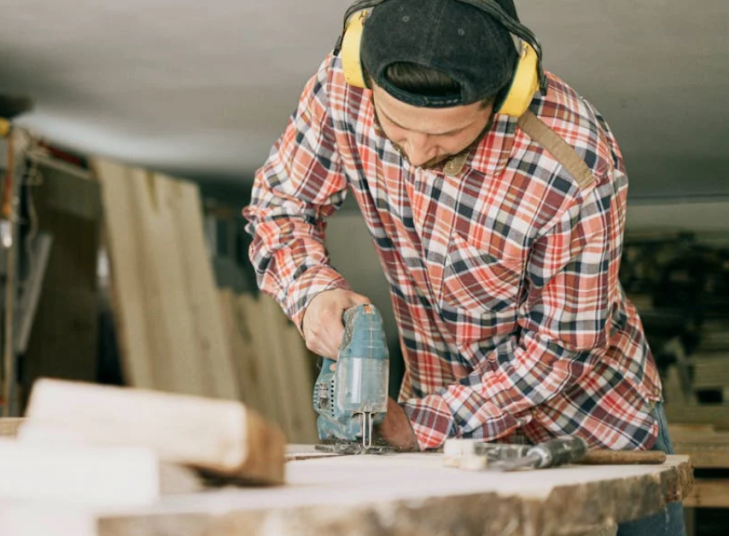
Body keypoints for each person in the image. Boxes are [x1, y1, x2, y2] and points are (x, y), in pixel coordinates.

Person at [242, 1, 685, 534]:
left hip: (585, 431)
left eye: (447, 136)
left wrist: (417, 427)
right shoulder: (343, 88)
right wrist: (312, 291)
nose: (418, 154)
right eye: (397, 128)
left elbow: (560, 351)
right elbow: (281, 207)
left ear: (506, 97)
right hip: (433, 435)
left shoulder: (575, 167)